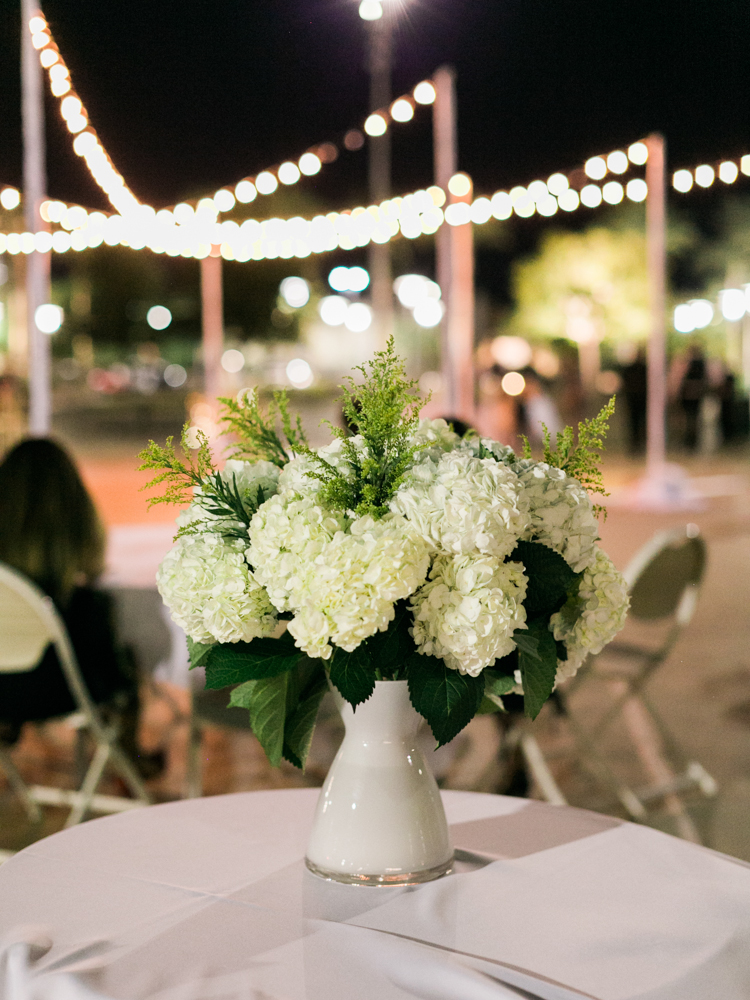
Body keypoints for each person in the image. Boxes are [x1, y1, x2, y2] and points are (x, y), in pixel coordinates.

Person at [0, 438, 162, 776]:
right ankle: (128, 759)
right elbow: (95, 566)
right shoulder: (84, 602)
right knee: (120, 659)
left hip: (5, 694)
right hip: (58, 692)